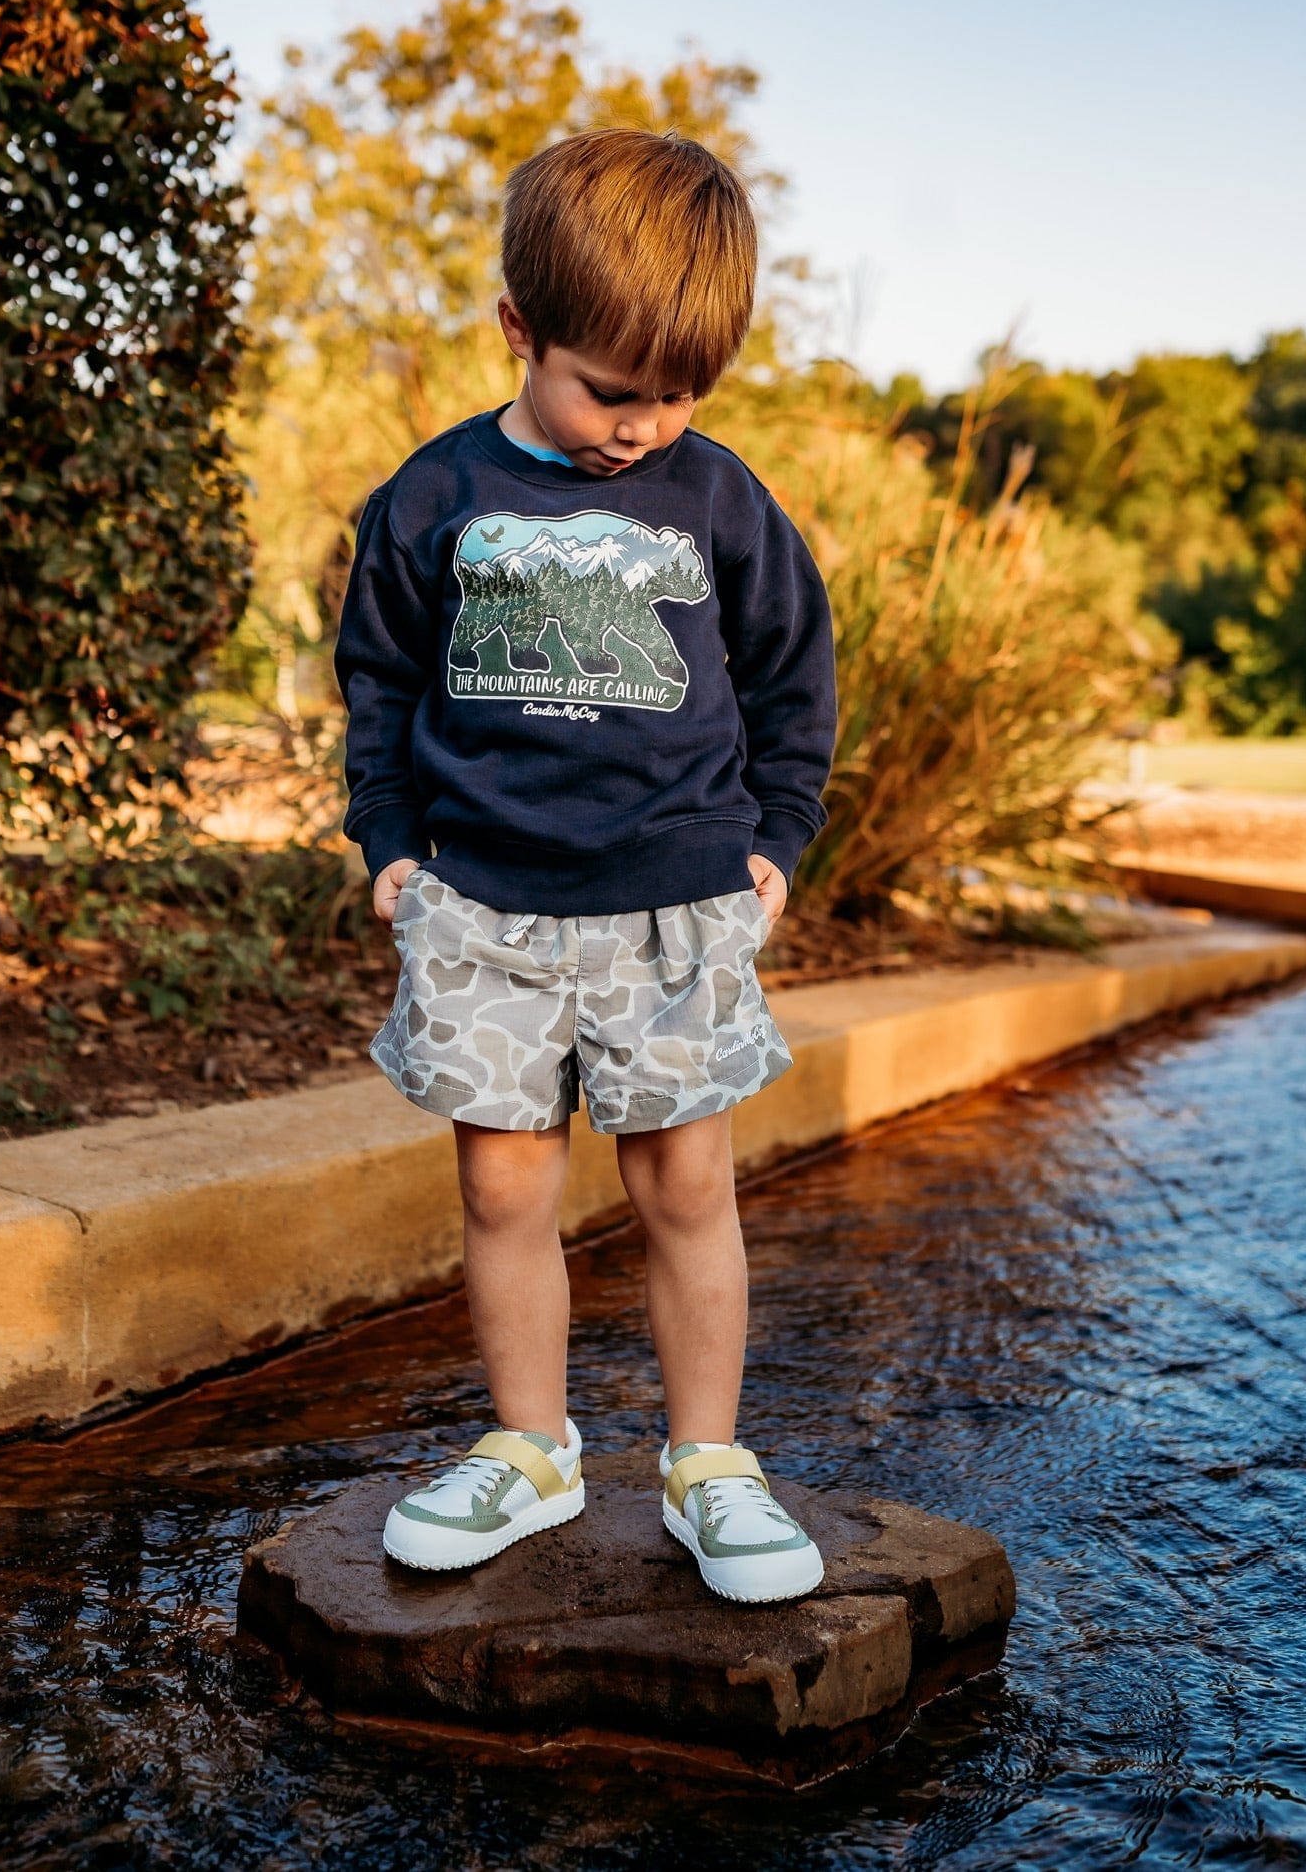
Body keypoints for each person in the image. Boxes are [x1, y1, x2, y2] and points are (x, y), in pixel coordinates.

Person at [335, 128, 837, 1604]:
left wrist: (776, 839)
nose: (639, 427)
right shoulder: (433, 498)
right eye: (609, 391)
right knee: (503, 1190)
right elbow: (378, 679)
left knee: (686, 1184)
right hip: (483, 905)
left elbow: (792, 674)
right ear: (519, 332)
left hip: (673, 901)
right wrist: (392, 844)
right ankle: (532, 1448)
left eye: (678, 395)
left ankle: (707, 1464)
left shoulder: (719, 500)